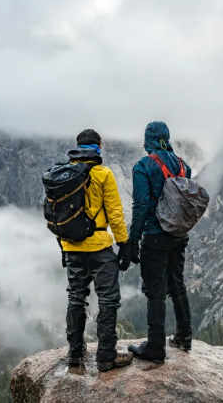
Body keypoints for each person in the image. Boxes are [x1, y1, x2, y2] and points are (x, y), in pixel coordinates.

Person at [60, 129, 135, 372]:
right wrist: (124, 244)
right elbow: (115, 213)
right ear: (98, 148)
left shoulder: (63, 175)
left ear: (77, 147)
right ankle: (105, 357)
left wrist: (64, 246)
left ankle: (75, 353)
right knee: (108, 301)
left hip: (71, 247)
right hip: (100, 248)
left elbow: (58, 217)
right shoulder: (103, 174)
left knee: (75, 298)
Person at [127, 121, 193, 364]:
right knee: (177, 283)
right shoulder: (184, 167)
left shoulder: (143, 166)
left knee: (155, 291)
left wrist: (132, 240)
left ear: (148, 140)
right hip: (179, 234)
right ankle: (184, 337)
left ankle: (155, 348)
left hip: (155, 236)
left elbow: (142, 206)